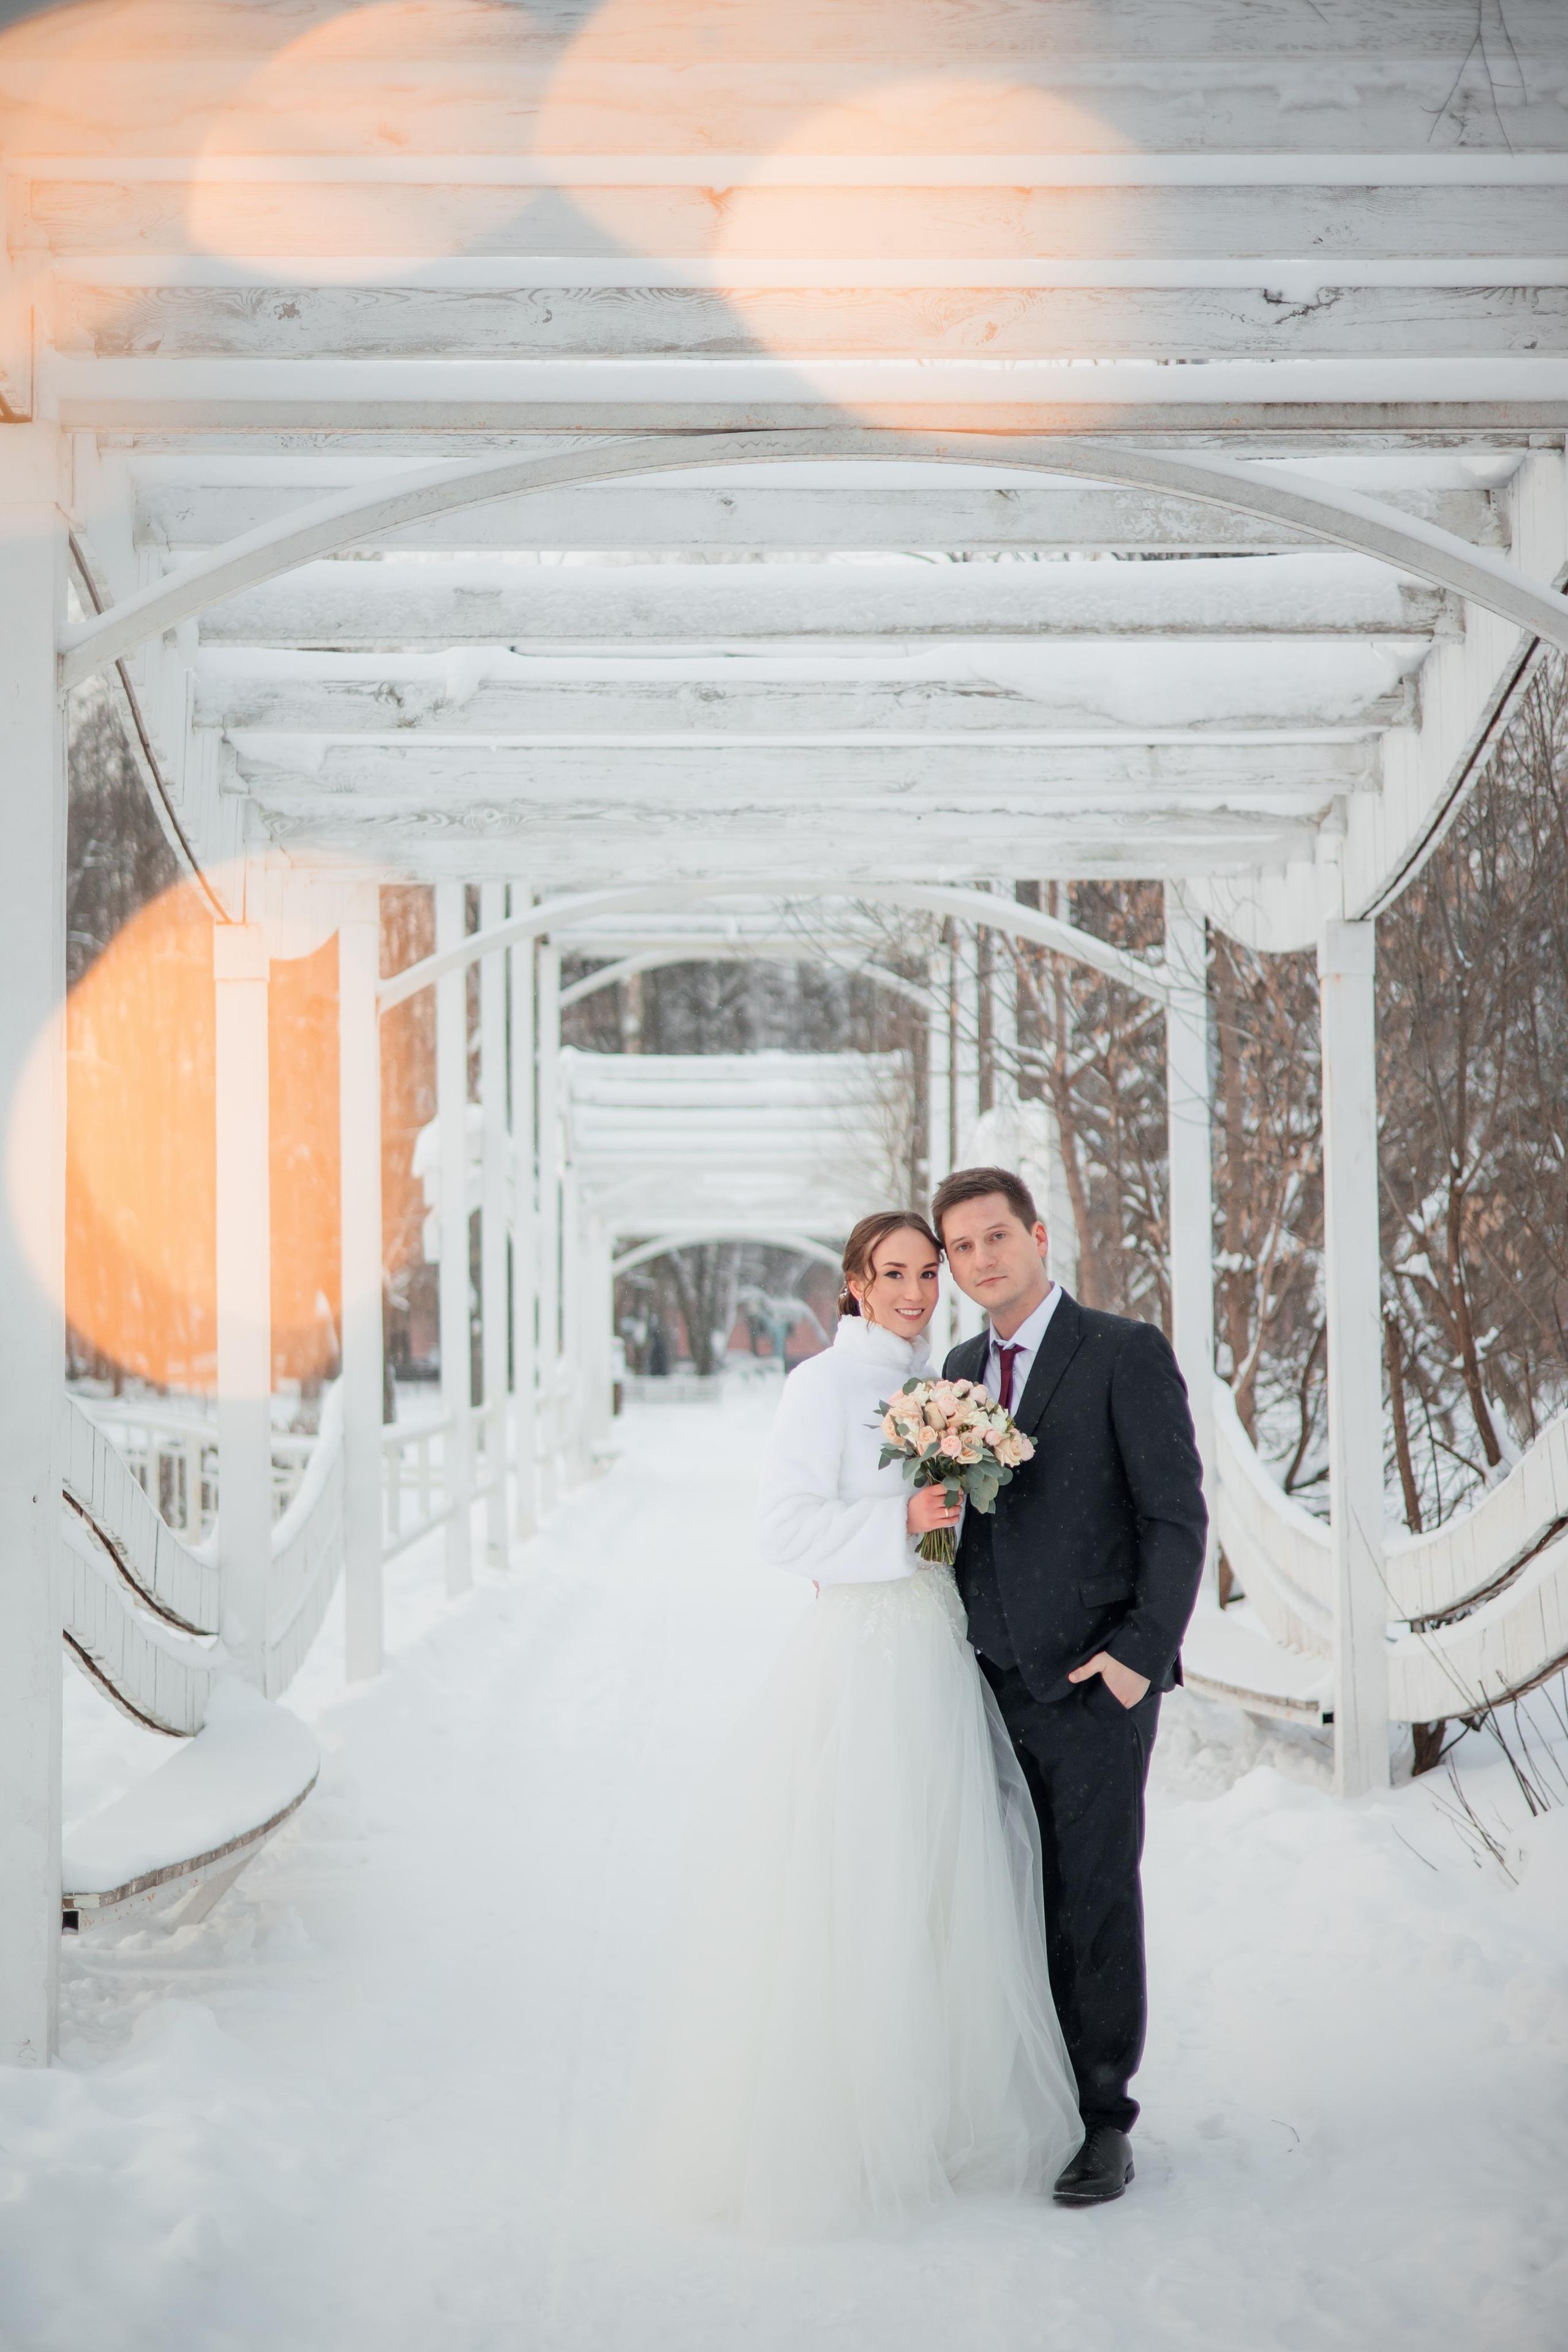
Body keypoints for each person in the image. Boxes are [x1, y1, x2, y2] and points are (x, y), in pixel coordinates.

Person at [624, 1210, 1082, 2239]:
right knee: (857, 1879)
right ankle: (842, 2119)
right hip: (863, 1654)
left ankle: (935, 2106)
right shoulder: (820, 1387)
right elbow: (781, 1527)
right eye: (895, 1275)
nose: (918, 1292)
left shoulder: (946, 1384)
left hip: (935, 1648)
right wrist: (900, 1525)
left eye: (929, 1272)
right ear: (854, 1285)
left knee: (942, 1877)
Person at [933, 1165, 1207, 2207]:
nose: (982, 1258)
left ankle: (1103, 2118)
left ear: (1039, 1237)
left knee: (1092, 1896)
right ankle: (1034, 2096)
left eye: (997, 1236)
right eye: (962, 1247)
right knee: (1007, 1895)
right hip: (988, 1679)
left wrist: (1139, 1656)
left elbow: (1174, 1518)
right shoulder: (957, 1370)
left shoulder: (1121, 1353)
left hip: (1096, 1683)